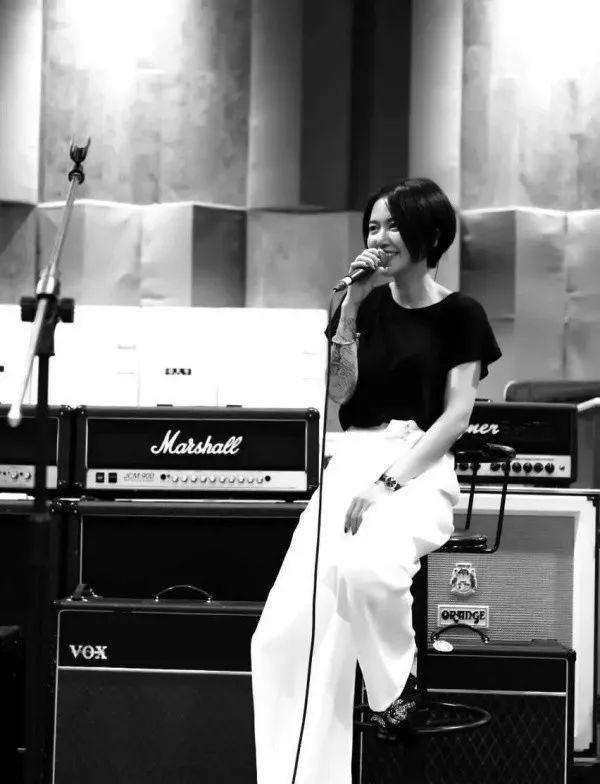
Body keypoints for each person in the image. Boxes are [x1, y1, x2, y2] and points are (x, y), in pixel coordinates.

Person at [251, 177, 502, 784]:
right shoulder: (357, 304)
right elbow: (340, 394)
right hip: (352, 459)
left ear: (430, 236)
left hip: (418, 465)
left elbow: (456, 417)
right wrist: (351, 308)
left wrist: (388, 484)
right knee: (283, 637)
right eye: (372, 226)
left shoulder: (461, 314)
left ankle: (395, 692)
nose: (380, 237)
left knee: (365, 571)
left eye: (393, 226)